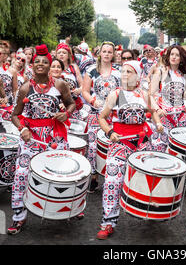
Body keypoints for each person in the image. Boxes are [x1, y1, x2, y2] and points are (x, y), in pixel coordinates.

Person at [7, 44, 75, 235]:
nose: (41, 65)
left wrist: (65, 115)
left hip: (55, 136)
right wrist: (22, 129)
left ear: (49, 65)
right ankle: (19, 216)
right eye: (37, 61)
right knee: (21, 175)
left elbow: (71, 104)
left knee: (60, 175)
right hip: (31, 138)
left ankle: (66, 209)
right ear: (32, 64)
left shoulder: (60, 84)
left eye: (45, 62)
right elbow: (15, 115)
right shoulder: (25, 88)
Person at [96, 60, 163, 239]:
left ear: (138, 75)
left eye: (129, 72)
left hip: (141, 143)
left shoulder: (144, 94)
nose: (125, 74)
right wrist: (110, 132)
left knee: (147, 179)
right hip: (119, 143)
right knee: (112, 182)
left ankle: (150, 212)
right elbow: (102, 118)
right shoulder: (115, 94)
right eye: (123, 71)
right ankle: (108, 222)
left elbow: (153, 110)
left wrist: (158, 122)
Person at [81, 41, 121, 193]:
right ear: (99, 53)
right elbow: (85, 91)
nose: (106, 54)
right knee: (93, 146)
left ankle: (112, 176)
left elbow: (124, 92)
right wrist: (92, 100)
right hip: (95, 113)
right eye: (104, 51)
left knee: (113, 144)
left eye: (109, 52)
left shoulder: (119, 71)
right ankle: (93, 176)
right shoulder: (91, 70)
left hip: (113, 114)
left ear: (113, 55)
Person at [149, 45, 186, 152]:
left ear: (181, 58)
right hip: (163, 116)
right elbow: (149, 95)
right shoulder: (161, 71)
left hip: (181, 117)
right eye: (172, 54)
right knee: (159, 149)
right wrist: (158, 109)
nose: (173, 57)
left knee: (181, 151)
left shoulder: (185, 74)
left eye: (177, 55)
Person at [55, 43, 84, 120]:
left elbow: (83, 85)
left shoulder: (73, 67)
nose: (61, 55)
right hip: (57, 106)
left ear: (68, 55)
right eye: (59, 53)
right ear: (56, 55)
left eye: (64, 53)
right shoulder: (52, 67)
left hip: (72, 104)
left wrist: (79, 90)